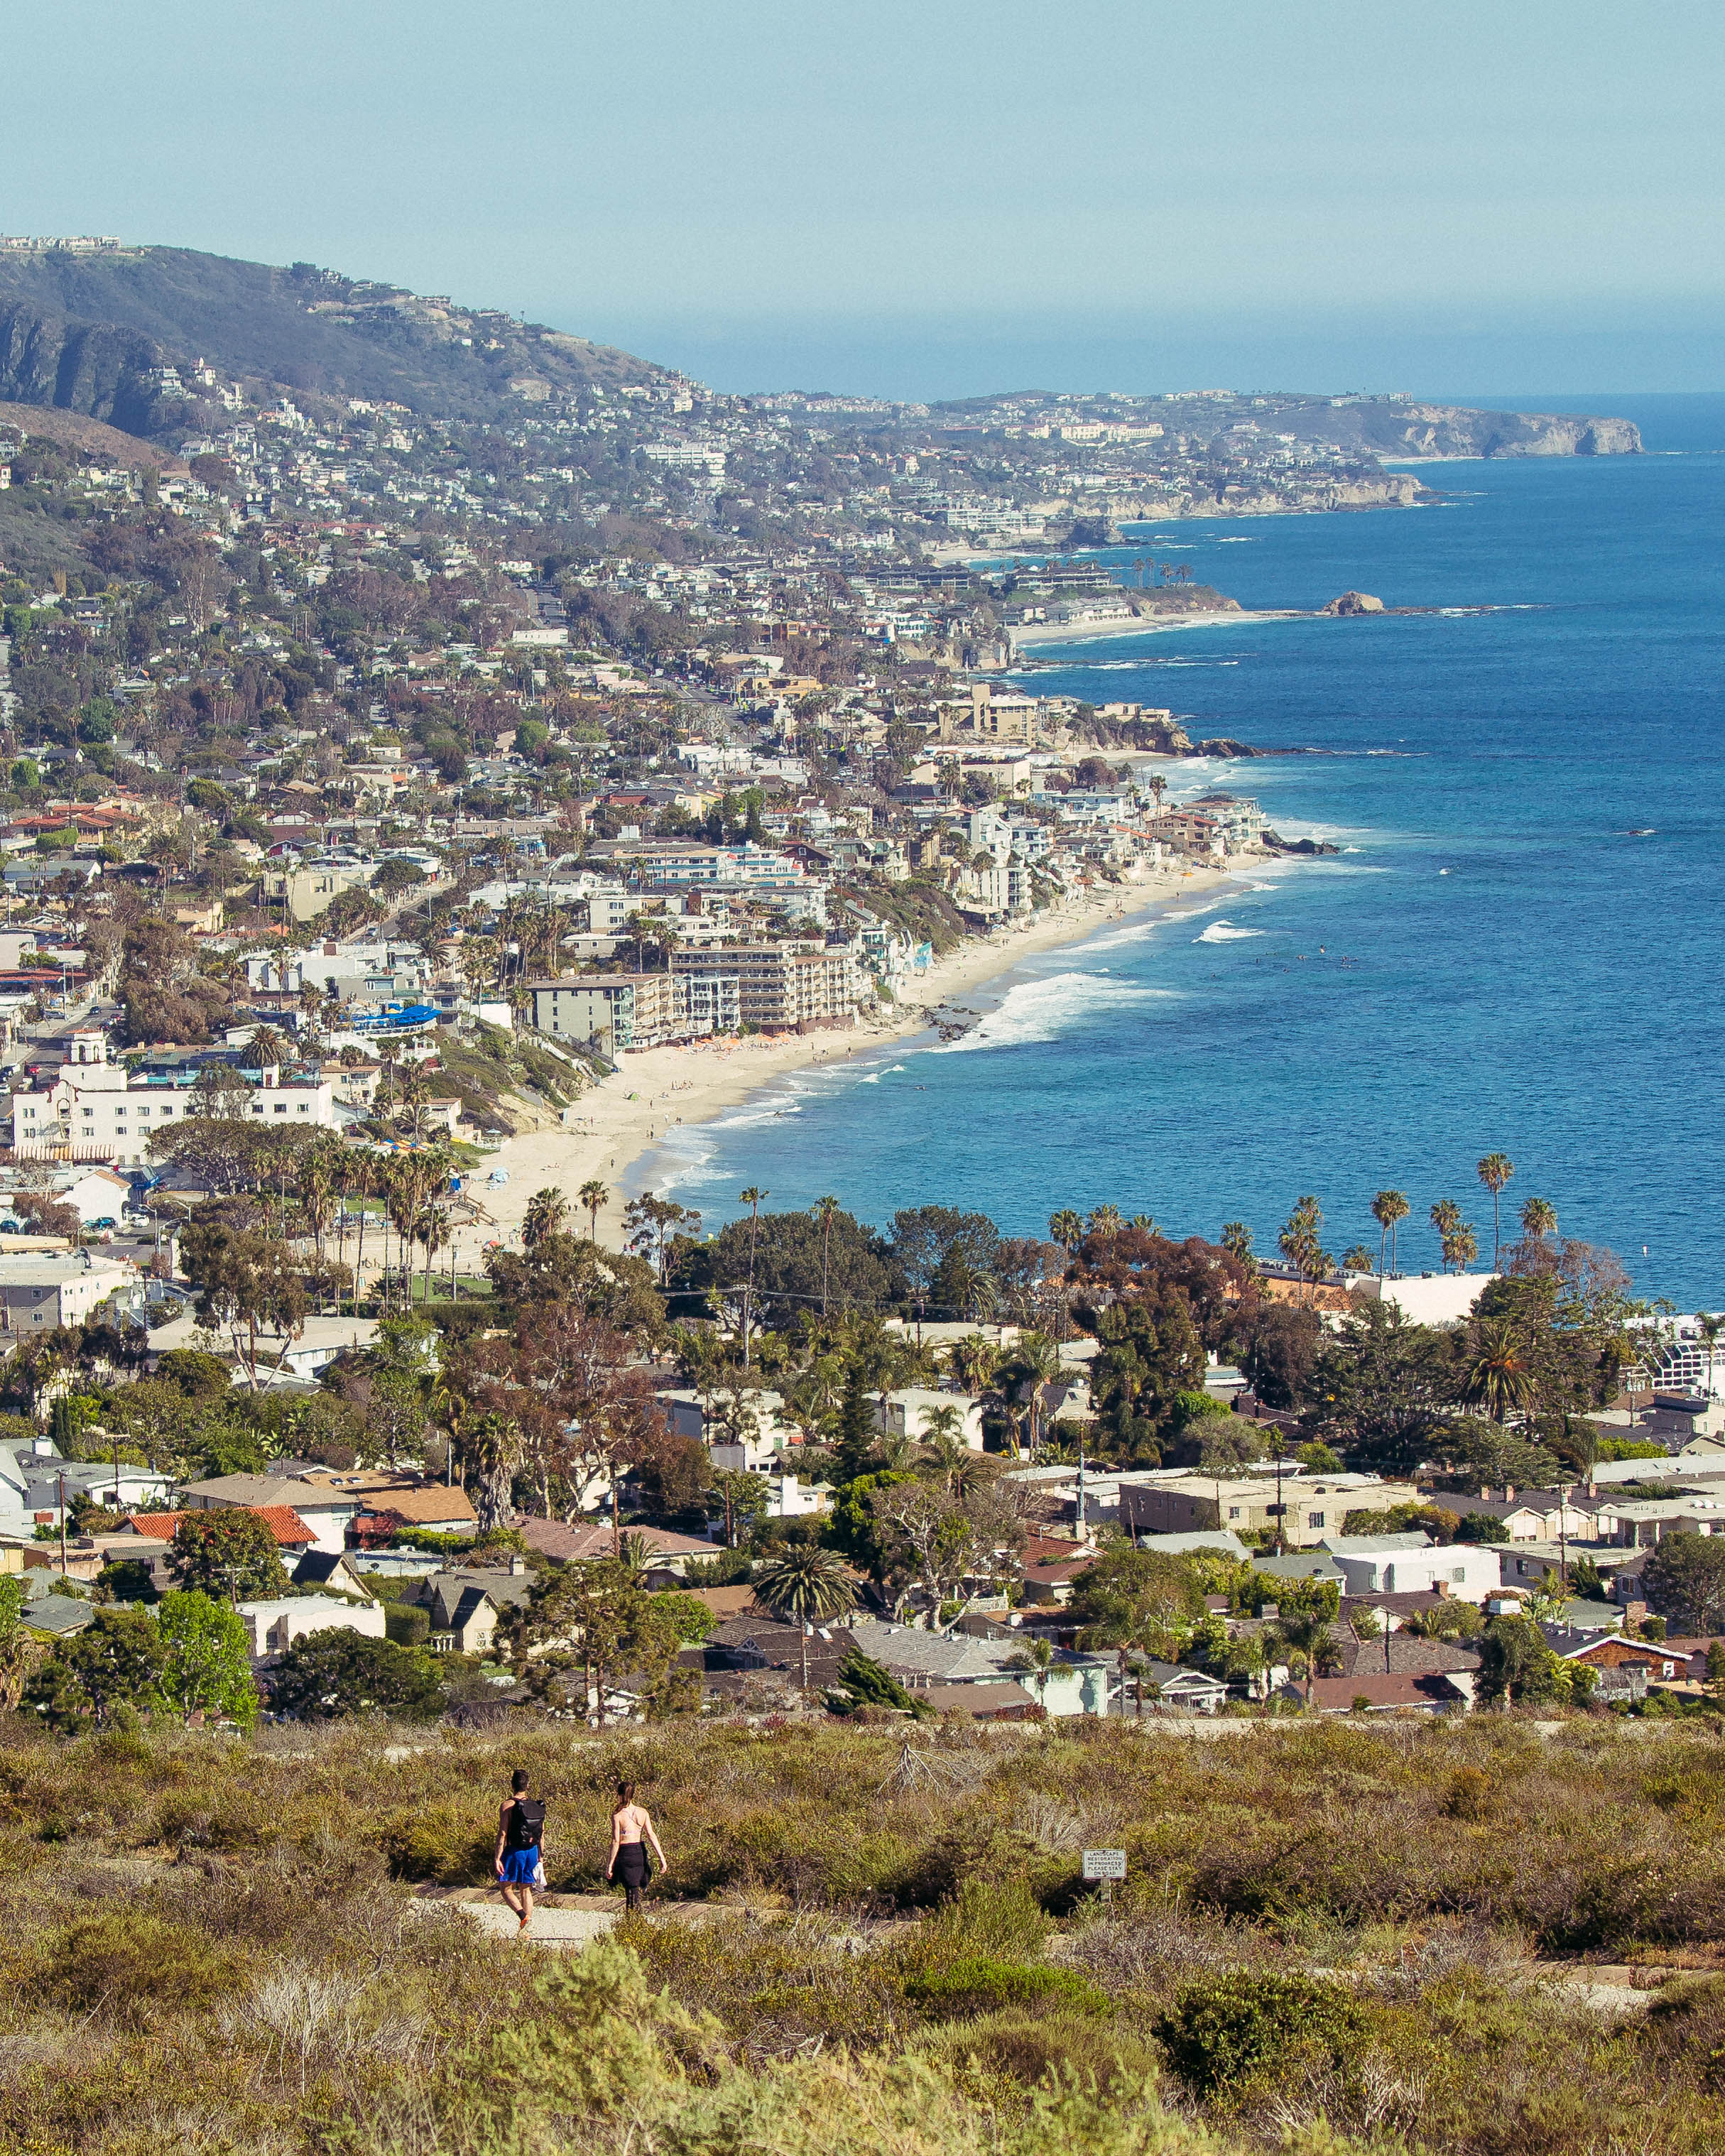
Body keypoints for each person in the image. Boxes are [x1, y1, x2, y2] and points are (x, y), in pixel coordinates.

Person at [494, 1767, 547, 1935]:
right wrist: (540, 1856)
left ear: (512, 1785)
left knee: (505, 1887)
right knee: (525, 1888)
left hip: (514, 1851)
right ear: (527, 1786)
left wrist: (497, 1857)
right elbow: (542, 1833)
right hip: (532, 1851)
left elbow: (503, 1833)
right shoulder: (536, 1806)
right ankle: (525, 1932)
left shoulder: (507, 1806)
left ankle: (523, 1916)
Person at [606, 1779, 666, 1912]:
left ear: (620, 1795)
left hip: (626, 1853)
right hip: (639, 1852)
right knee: (633, 1888)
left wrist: (610, 1864)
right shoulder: (642, 1812)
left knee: (630, 1889)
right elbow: (651, 1835)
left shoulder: (617, 1815)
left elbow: (615, 1841)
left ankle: (633, 1918)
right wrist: (661, 1857)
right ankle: (633, 1917)